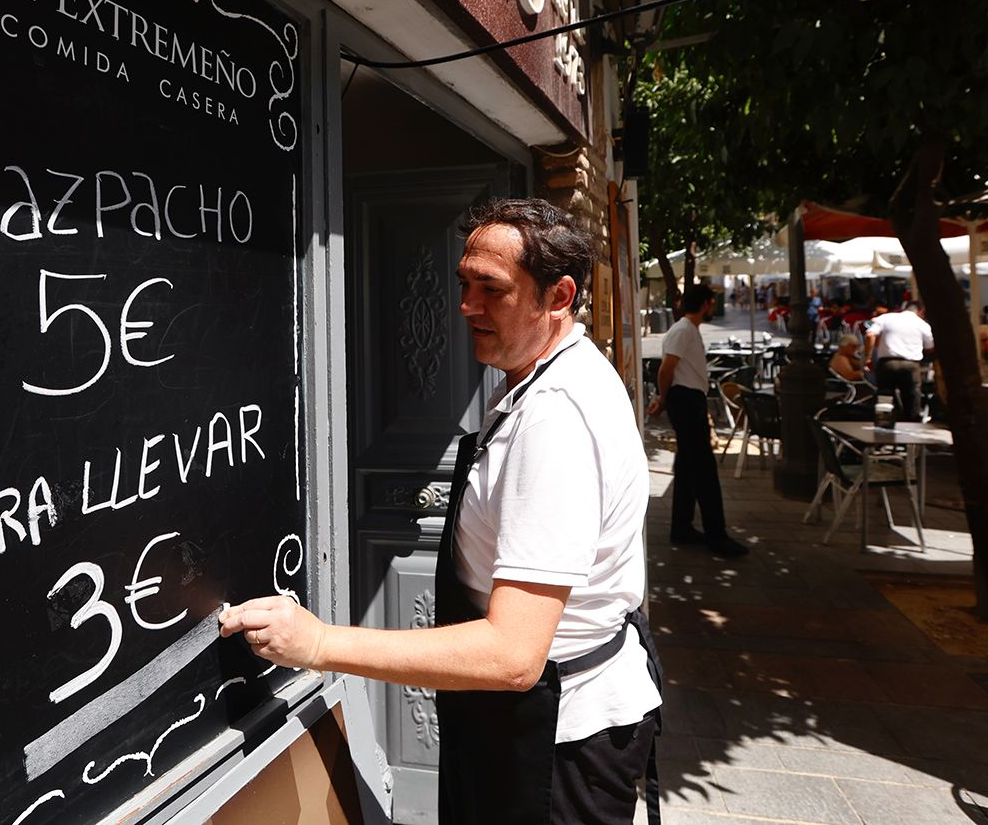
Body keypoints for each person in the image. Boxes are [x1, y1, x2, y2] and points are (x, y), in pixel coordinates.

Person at [218, 199, 662, 824]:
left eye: (492, 289)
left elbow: (513, 655)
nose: (467, 306)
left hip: (555, 743)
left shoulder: (556, 420)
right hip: (525, 721)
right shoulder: (540, 374)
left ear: (558, 296)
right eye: (463, 284)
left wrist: (318, 642)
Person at [647, 285, 750, 558]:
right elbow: (666, 369)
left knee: (688, 468)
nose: (713, 307)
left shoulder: (687, 329)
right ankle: (717, 536)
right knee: (704, 470)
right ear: (705, 304)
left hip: (688, 400)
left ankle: (682, 528)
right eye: (712, 303)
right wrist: (663, 399)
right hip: (686, 401)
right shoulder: (683, 330)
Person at [863, 301, 933, 422]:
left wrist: (868, 357)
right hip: (911, 365)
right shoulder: (922, 324)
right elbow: (930, 347)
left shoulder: (886, 318)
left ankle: (884, 422)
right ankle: (912, 426)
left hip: (887, 364)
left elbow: (870, 335)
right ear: (920, 311)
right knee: (912, 398)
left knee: (885, 397)